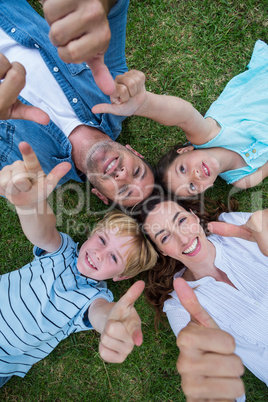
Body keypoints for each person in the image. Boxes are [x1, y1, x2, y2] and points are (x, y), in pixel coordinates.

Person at [0, 141, 158, 387]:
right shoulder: (62, 251)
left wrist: (111, 322)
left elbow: (100, 314)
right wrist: (30, 206)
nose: (100, 254)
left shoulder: (94, 297)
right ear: (92, 234)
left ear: (121, 276)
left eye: (115, 258)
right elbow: (42, 232)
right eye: (103, 240)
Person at [0, 0, 155, 207]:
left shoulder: (31, 174)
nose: (123, 176)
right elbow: (116, 7)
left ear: (99, 195)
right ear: (134, 152)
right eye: (137, 172)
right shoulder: (117, 96)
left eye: (124, 190)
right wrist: (99, 5)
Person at [92, 40, 268, 198]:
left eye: (182, 169)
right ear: (205, 189)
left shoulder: (206, 136)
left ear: (185, 151)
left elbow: (184, 114)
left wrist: (145, 104)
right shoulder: (243, 180)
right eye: (192, 186)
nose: (195, 175)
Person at [135, 193, 268, 395]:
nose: (183, 238)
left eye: (181, 221)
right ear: (162, 251)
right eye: (165, 237)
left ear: (193, 216)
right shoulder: (181, 306)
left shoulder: (234, 228)